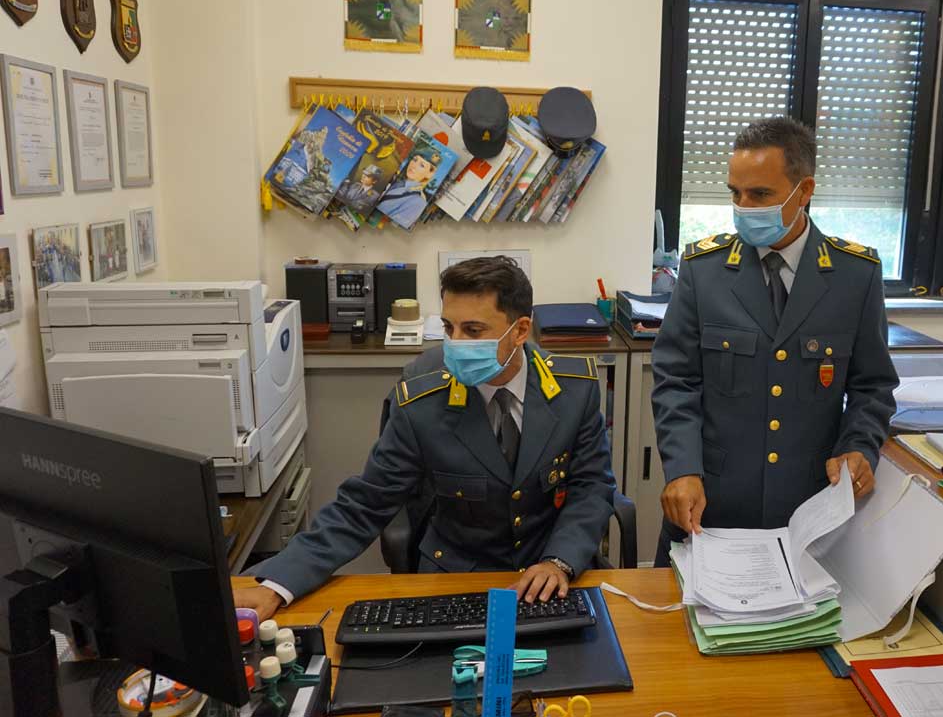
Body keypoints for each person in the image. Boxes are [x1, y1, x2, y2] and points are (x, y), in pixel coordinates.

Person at [236, 256, 616, 619]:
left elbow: (591, 487)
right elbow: (365, 503)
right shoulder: (422, 401)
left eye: (473, 330)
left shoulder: (574, 391)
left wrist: (559, 561)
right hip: (456, 577)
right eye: (449, 328)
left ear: (519, 331)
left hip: (549, 574)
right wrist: (277, 584)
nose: (455, 343)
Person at [651, 117, 898, 565]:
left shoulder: (855, 276)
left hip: (809, 511)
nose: (743, 207)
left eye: (760, 194)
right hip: (710, 504)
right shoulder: (703, 271)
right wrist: (681, 467)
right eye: (735, 193)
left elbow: (872, 386)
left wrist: (859, 447)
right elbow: (675, 381)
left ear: (804, 191)